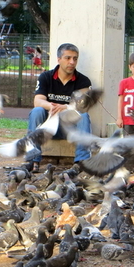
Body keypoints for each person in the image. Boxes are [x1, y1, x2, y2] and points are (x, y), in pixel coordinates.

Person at [28, 42, 92, 171]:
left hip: (69, 129)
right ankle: (32, 160)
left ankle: (82, 161)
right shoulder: (46, 77)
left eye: (75, 58)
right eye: (67, 58)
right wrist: (51, 106)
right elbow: (38, 100)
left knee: (84, 116)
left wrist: (65, 107)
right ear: (59, 59)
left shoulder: (83, 81)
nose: (72, 62)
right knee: (37, 111)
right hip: (48, 127)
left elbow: (83, 106)